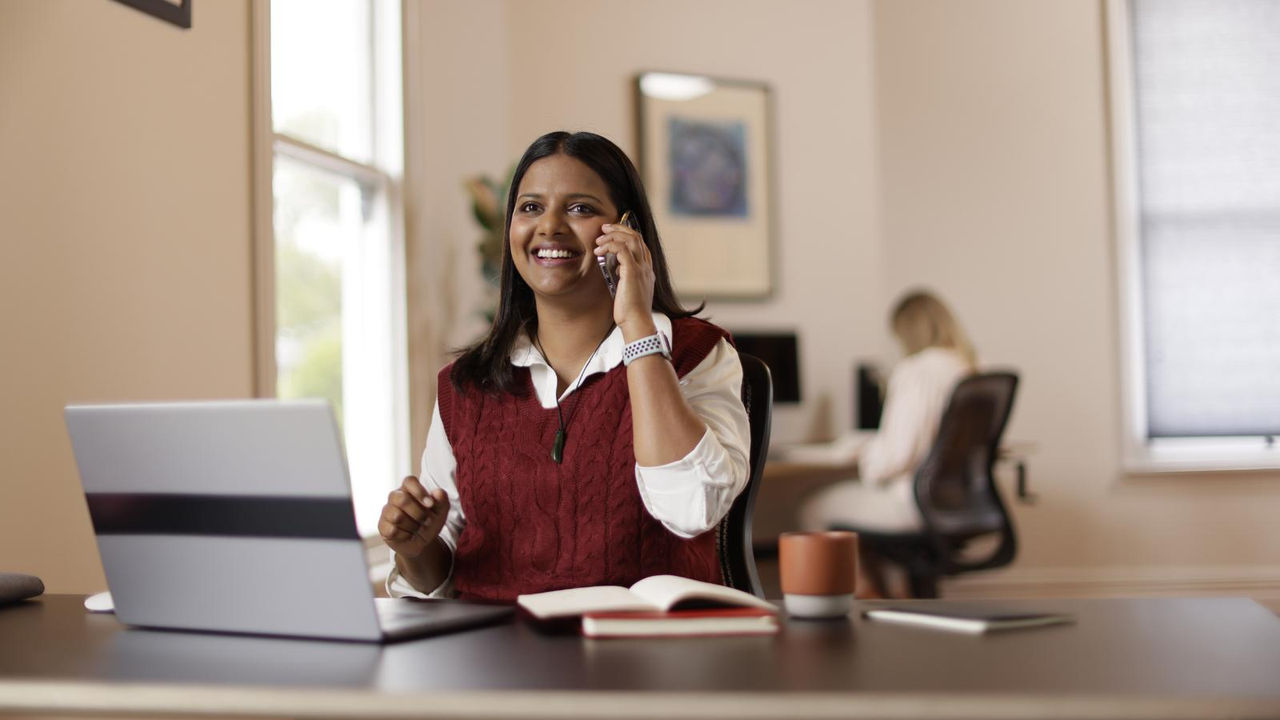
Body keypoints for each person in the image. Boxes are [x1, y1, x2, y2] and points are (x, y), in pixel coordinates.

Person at [379, 131, 751, 601]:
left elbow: (693, 506)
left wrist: (637, 321)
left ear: (627, 230)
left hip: (644, 657)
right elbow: (443, 575)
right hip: (495, 658)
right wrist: (415, 549)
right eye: (530, 207)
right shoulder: (464, 386)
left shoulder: (695, 354)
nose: (549, 226)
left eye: (580, 208)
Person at [799, 291, 976, 597]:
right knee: (867, 522)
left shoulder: (917, 370)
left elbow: (896, 456)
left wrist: (868, 456)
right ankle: (885, 595)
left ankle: (862, 597)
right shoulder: (968, 367)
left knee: (813, 509)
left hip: (915, 503)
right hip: (956, 501)